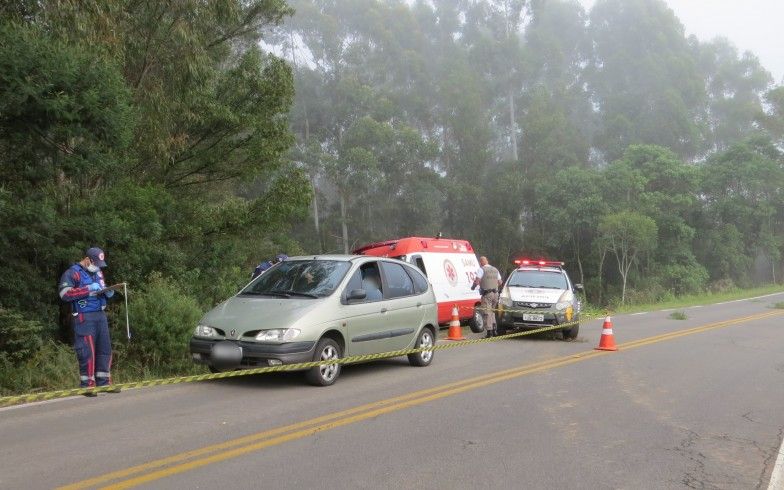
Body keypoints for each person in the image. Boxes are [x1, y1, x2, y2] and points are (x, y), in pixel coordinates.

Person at [58, 247, 116, 394]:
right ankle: (87, 385)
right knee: (86, 351)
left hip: (100, 315)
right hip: (84, 317)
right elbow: (64, 294)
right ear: (87, 259)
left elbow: (100, 288)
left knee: (105, 350)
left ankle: (104, 383)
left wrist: (107, 291)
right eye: (96, 263)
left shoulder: (98, 272)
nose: (97, 267)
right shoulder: (72, 273)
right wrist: (87, 289)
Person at [473, 256, 502, 338]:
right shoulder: (495, 269)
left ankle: (489, 332)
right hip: (496, 294)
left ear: (481, 262)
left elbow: (477, 280)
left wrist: (473, 286)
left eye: (480, 262)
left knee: (487, 313)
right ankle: (494, 330)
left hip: (487, 294)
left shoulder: (481, 269)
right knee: (492, 312)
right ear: (487, 261)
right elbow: (500, 282)